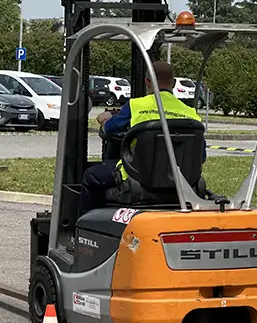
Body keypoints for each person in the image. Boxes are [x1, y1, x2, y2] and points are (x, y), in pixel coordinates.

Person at [78, 61, 206, 215]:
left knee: (90, 176)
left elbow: (108, 129)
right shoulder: (190, 113)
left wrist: (106, 118)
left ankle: (82, 227)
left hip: (138, 177)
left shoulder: (135, 106)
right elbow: (201, 156)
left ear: (147, 81)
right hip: (180, 181)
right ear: (173, 83)